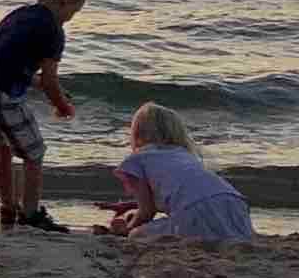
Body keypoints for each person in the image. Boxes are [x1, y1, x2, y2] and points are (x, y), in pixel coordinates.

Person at [0, 0, 88, 232]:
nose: (71, 18)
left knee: (2, 147)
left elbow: (8, 64)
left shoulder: (19, 14)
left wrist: (45, 89)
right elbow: (49, 79)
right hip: (0, 93)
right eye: (74, 12)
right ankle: (31, 215)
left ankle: (8, 208)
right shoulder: (54, 30)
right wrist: (62, 105)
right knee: (35, 154)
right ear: (68, 0)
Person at [107, 103, 255, 242]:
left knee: (136, 235)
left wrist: (127, 228)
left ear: (136, 132)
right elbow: (186, 191)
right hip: (234, 204)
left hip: (196, 212)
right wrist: (133, 205)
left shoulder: (137, 160)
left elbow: (147, 212)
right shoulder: (183, 154)